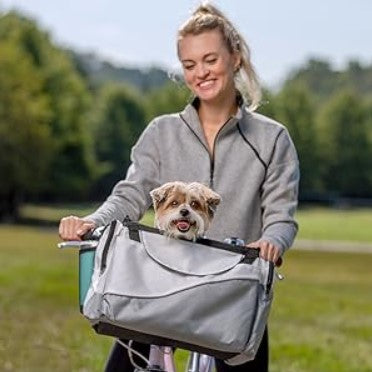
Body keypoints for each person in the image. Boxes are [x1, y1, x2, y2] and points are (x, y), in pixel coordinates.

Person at [59, 3, 299, 371]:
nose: (200, 73)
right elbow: (131, 194)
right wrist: (93, 220)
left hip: (231, 290)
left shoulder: (272, 138)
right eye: (189, 65)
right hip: (156, 284)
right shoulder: (161, 132)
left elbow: (281, 216)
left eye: (210, 60)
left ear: (235, 58)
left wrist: (272, 242)